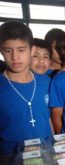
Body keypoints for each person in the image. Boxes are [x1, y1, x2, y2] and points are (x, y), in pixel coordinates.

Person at [0, 21, 52, 154]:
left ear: (32, 50)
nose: (15, 57)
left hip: (46, 151)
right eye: (8, 50)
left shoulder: (47, 82)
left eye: (21, 50)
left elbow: (48, 118)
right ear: (1, 51)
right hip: (11, 157)